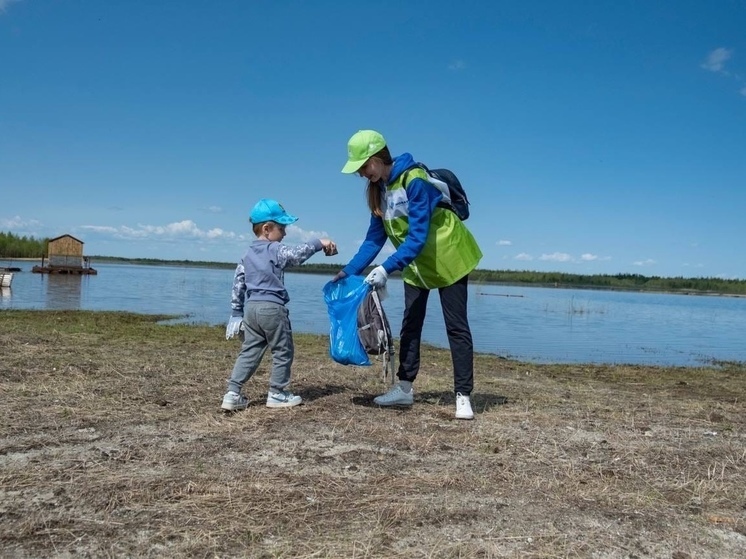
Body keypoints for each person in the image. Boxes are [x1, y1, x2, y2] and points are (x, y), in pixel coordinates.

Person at [335, 130, 483, 420]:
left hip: (449, 256)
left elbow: (416, 237)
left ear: (377, 158)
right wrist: (348, 270)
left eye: (364, 167)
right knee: (411, 324)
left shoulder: (414, 181)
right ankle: (404, 388)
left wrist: (385, 268)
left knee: (456, 326)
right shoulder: (380, 191)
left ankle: (463, 396)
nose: (363, 174)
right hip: (416, 266)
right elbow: (373, 240)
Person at [221, 198, 337, 411]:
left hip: (251, 310)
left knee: (249, 350)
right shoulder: (274, 249)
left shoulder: (246, 255)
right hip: (272, 309)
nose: (284, 233)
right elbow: (296, 256)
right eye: (281, 228)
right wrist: (320, 242)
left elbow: (238, 284)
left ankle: (232, 393)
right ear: (266, 229)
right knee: (283, 350)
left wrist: (236, 312)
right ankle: (277, 392)